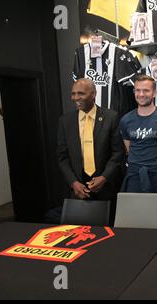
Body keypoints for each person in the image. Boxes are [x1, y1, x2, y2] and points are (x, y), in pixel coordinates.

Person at [57, 78, 124, 221]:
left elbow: (118, 153)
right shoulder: (65, 121)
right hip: (77, 188)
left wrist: (104, 177)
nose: (76, 98)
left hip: (105, 187)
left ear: (93, 94)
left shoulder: (111, 117)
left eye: (81, 93)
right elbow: (62, 157)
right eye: (73, 94)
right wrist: (73, 183)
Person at [119, 75, 157, 228]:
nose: (141, 94)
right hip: (134, 176)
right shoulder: (126, 120)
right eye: (138, 90)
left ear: (154, 93)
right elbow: (128, 147)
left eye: (146, 90)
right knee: (134, 220)